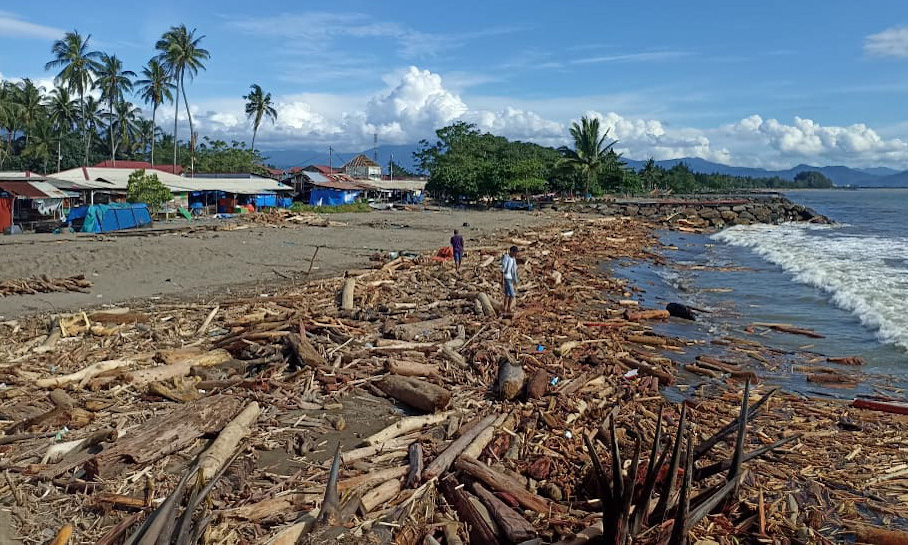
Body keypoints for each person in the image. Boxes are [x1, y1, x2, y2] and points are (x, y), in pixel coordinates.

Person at [501, 245, 519, 316]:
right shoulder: (506, 258)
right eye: (515, 252)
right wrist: (502, 279)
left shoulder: (513, 259)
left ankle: (505, 308)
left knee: (507, 294)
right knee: (512, 294)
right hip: (507, 277)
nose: (516, 254)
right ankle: (508, 308)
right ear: (511, 251)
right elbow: (502, 269)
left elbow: (514, 270)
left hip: (511, 278)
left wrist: (515, 280)